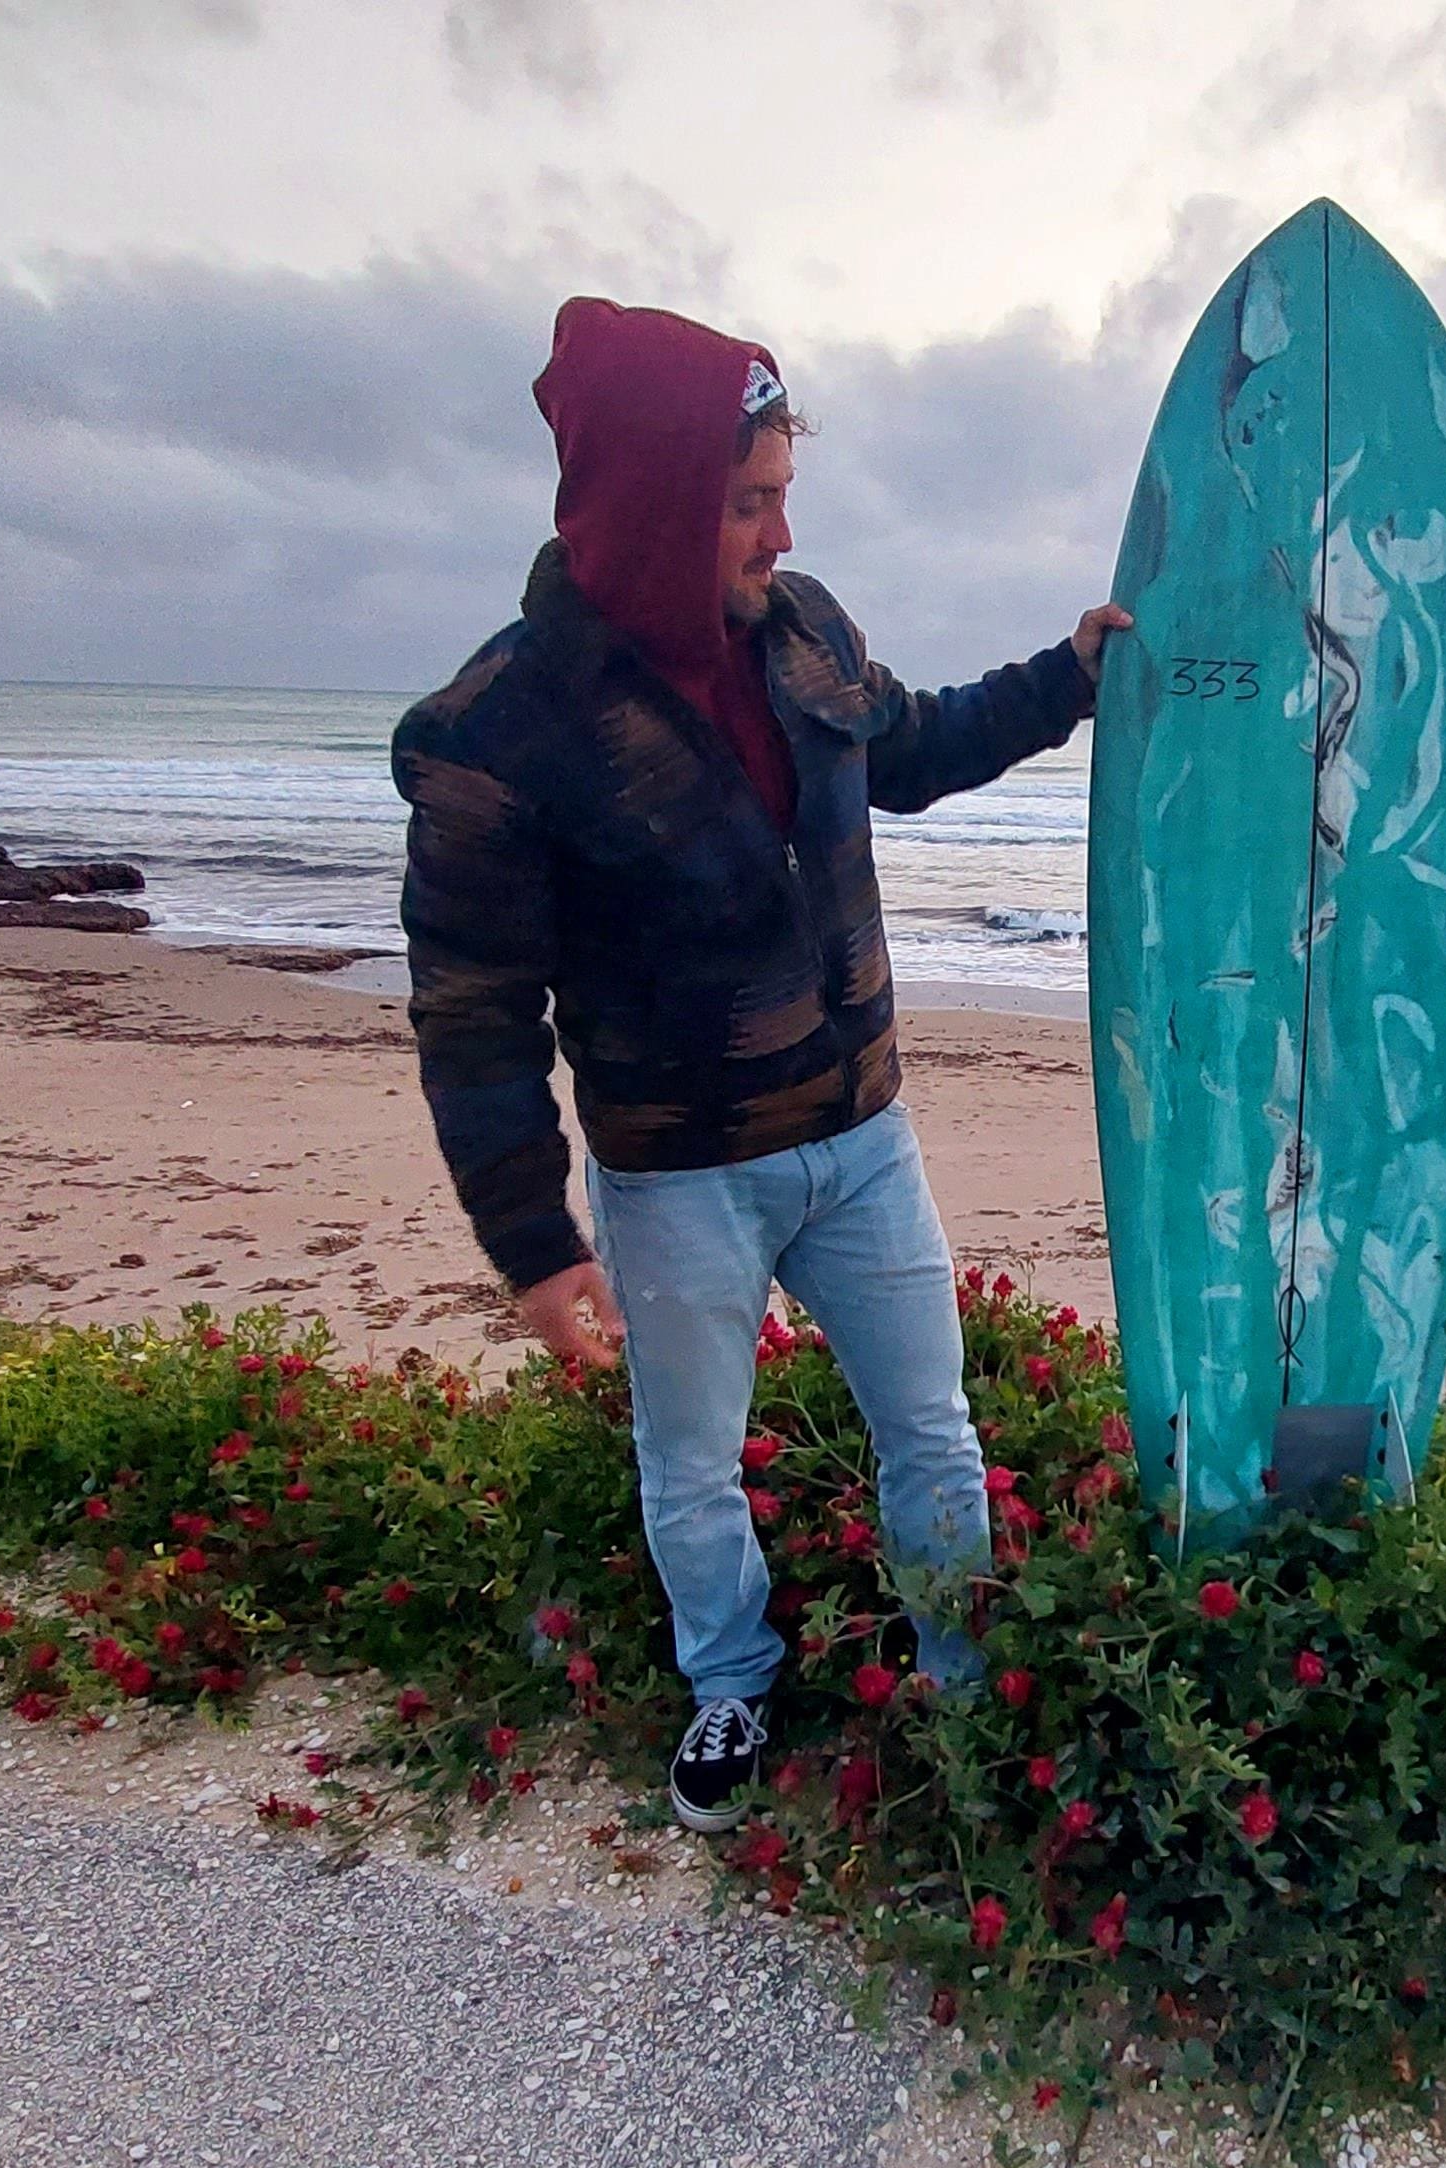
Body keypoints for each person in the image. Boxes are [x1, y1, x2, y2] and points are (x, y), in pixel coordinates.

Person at [390, 297, 1129, 1831]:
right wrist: (536, 1244)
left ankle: (957, 1678)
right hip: (676, 1184)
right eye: (747, 502)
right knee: (692, 1463)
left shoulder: (805, 631)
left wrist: (1063, 679)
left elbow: (911, 742)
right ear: (654, 503)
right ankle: (731, 1679)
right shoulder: (500, 731)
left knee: (934, 1427)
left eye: (785, 494)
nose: (779, 534)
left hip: (862, 1138)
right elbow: (472, 1014)